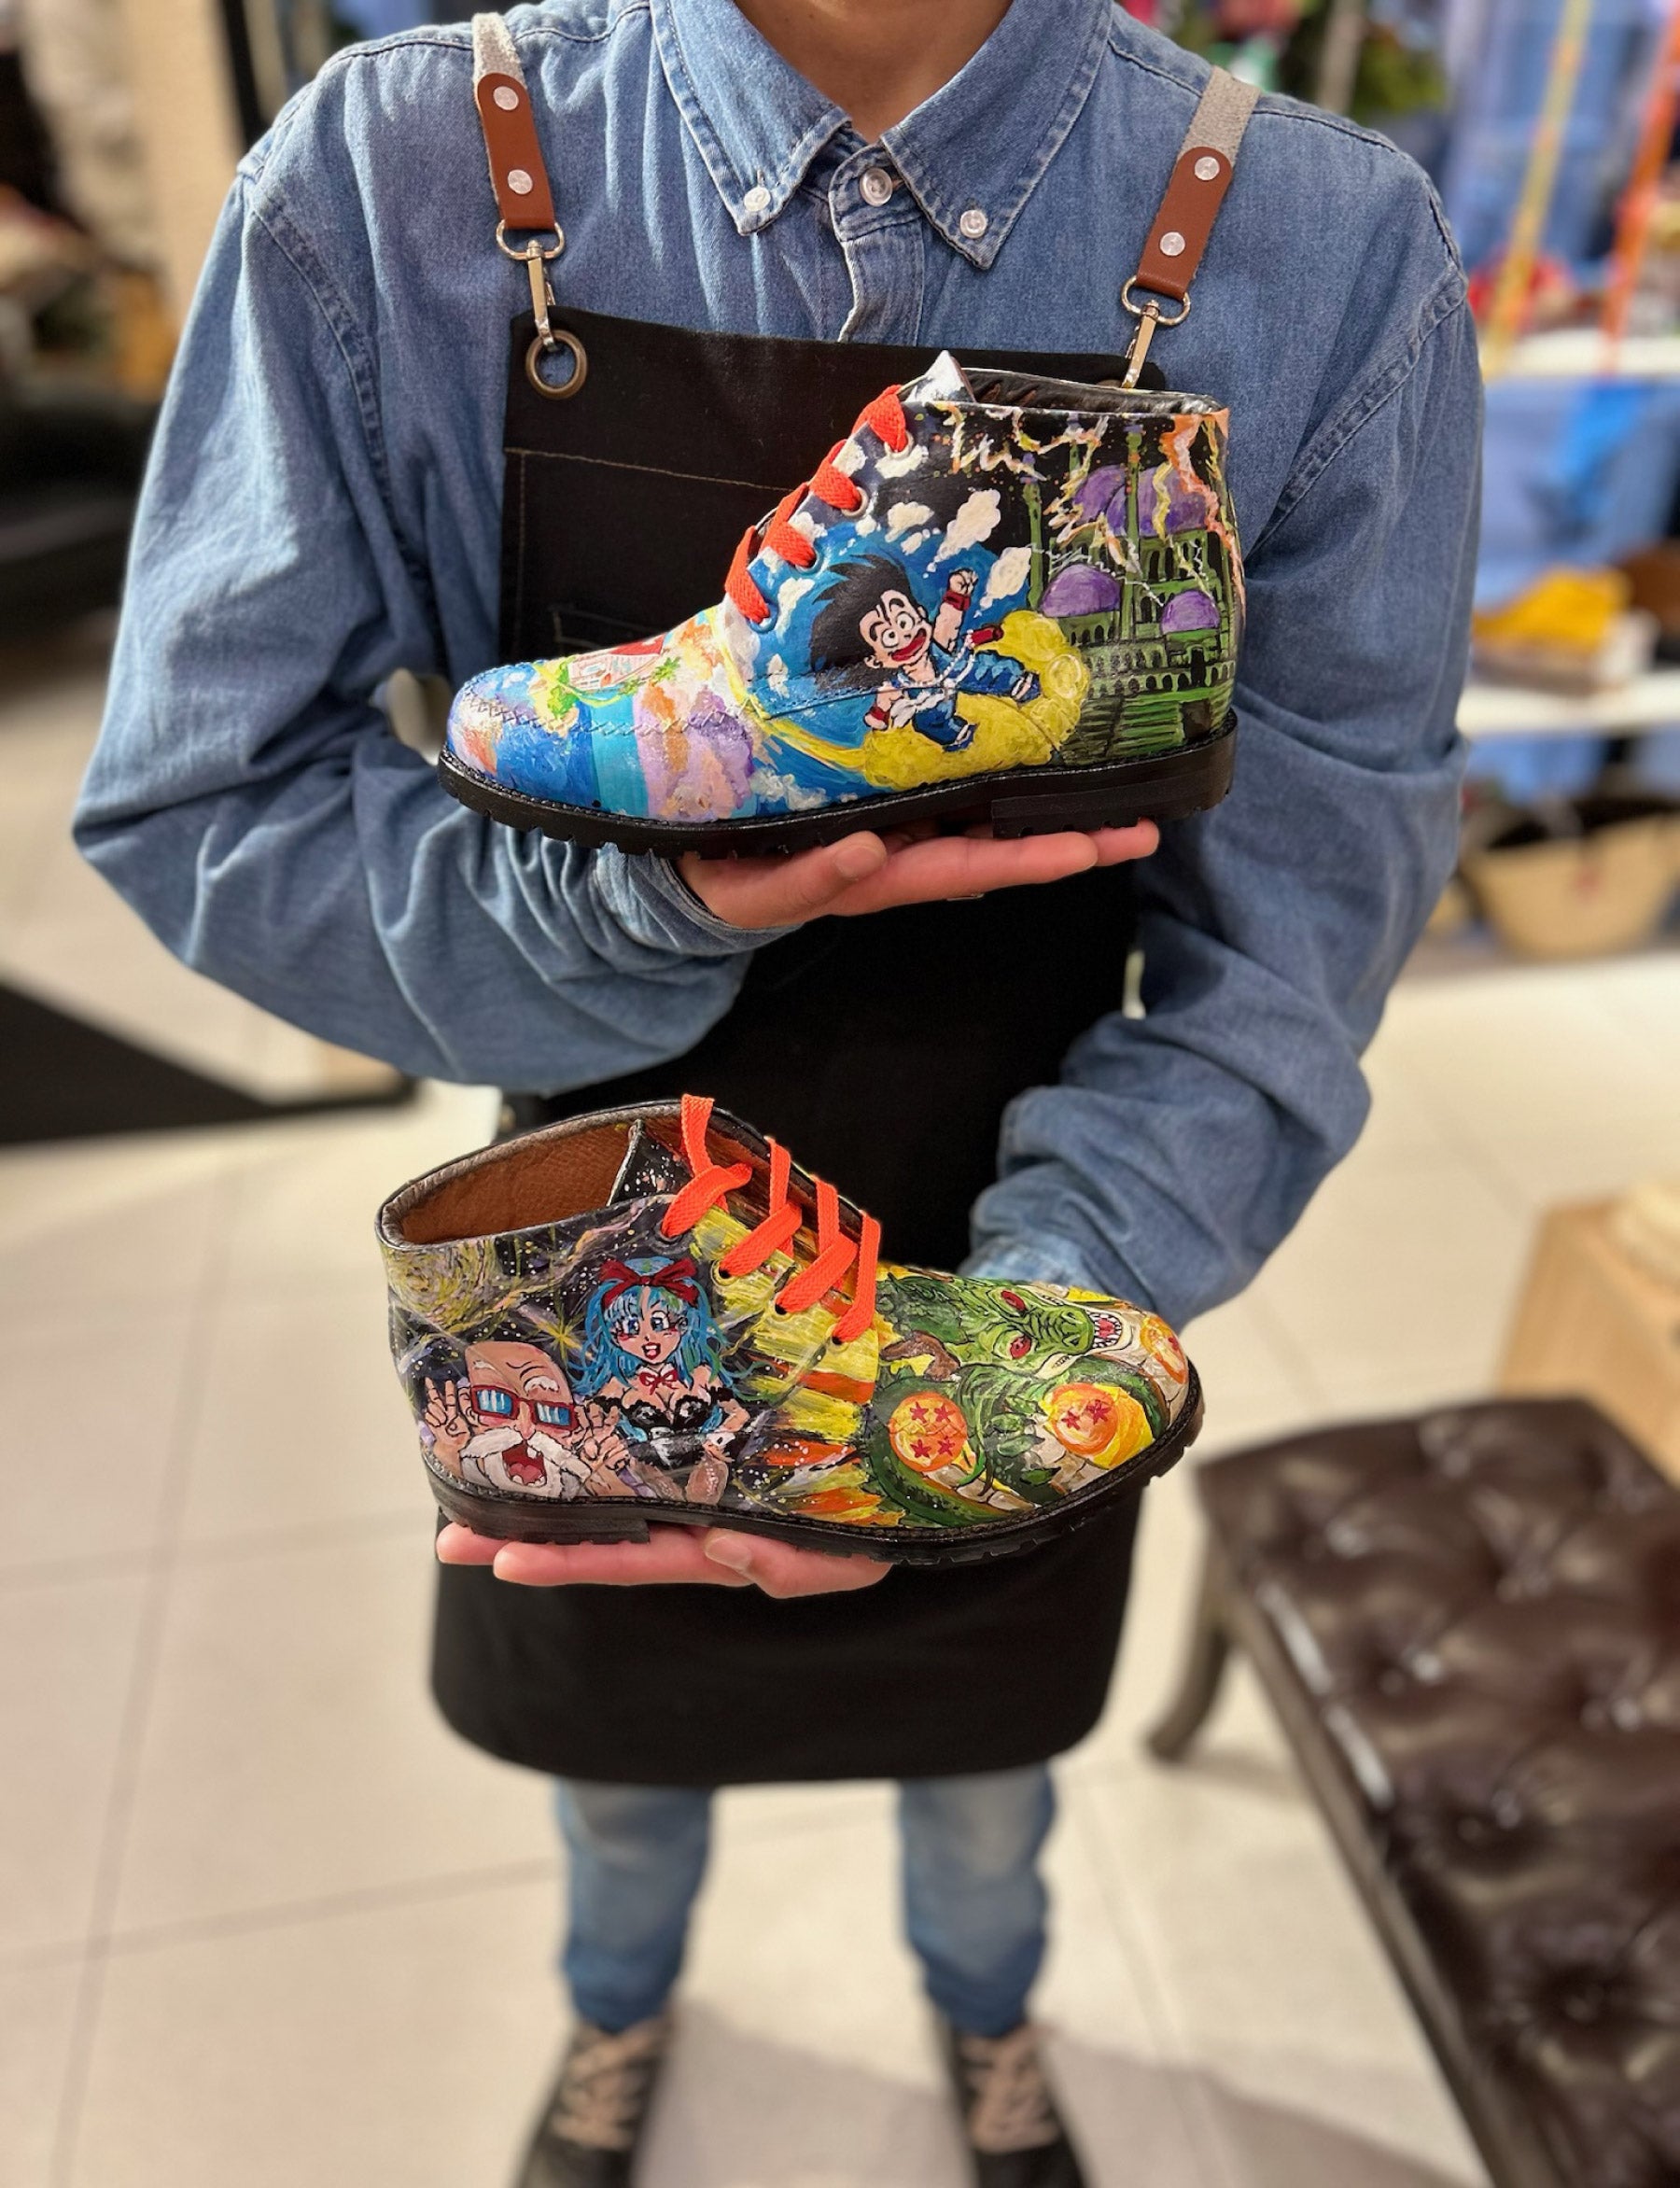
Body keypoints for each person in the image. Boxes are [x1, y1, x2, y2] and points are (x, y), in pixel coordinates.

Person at [74, 0, 1481, 2182]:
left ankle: (988, 2018)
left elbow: (1301, 923)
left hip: (1040, 1262)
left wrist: (1036, 1314)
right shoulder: (393, 177)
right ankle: (617, 2012)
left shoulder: (1323, 244)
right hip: (607, 1263)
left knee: (989, 1791)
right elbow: (207, 802)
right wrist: (651, 904)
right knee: (621, 1790)